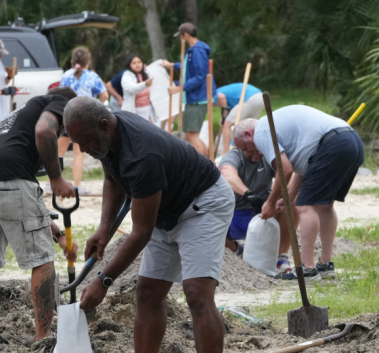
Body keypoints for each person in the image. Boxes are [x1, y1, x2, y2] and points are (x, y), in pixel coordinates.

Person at [64, 96, 234, 353]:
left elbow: (140, 233)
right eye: (77, 143)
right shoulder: (108, 136)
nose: (83, 148)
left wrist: (104, 281)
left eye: (84, 141)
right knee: (148, 292)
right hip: (165, 210)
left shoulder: (143, 153)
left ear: (103, 126)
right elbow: (114, 178)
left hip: (203, 203)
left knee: (197, 293)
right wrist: (104, 228)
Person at [0, 87, 80, 353]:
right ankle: (44, 338)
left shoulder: (17, 116)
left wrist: (60, 237)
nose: (65, 132)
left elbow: (24, 210)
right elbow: (44, 132)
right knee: (41, 259)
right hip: (10, 175)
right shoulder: (60, 101)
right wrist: (56, 177)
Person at [232, 106, 365, 281]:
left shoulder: (262, 130)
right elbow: (303, 167)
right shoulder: (278, 126)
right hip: (352, 142)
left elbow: (284, 169)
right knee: (325, 206)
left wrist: (271, 202)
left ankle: (307, 269)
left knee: (304, 205)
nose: (248, 152)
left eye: (244, 147)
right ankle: (325, 265)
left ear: (249, 134)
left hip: (331, 145)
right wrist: (287, 196)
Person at [219, 145, 291, 274]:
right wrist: (248, 194)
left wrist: (278, 198)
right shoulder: (234, 156)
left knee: (292, 202)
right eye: (252, 150)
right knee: (206, 223)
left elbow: (288, 177)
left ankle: (281, 257)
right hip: (236, 216)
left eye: (259, 150)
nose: (257, 154)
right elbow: (227, 174)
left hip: (264, 214)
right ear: (242, 145)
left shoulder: (268, 156)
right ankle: (238, 251)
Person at [56, 46, 109, 195]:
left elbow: (60, 94)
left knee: (58, 152)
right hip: (84, 120)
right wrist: (96, 104)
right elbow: (105, 95)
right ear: (88, 61)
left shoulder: (66, 75)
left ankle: (50, 183)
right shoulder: (93, 76)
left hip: (66, 117)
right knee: (78, 154)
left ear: (73, 60)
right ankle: (78, 186)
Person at [160, 23, 217, 157]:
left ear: (185, 35)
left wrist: (179, 88)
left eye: (180, 36)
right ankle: (209, 164)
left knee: (192, 135)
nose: (180, 39)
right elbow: (187, 67)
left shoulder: (197, 51)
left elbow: (199, 77)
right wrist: (172, 65)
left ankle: (204, 167)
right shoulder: (192, 51)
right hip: (194, 98)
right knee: (190, 134)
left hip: (198, 99)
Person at [120, 54, 157, 123]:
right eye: (134, 63)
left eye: (139, 62)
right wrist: (145, 84)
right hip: (134, 111)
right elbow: (132, 89)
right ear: (129, 65)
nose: (137, 65)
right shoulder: (126, 76)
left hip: (148, 109)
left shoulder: (147, 74)